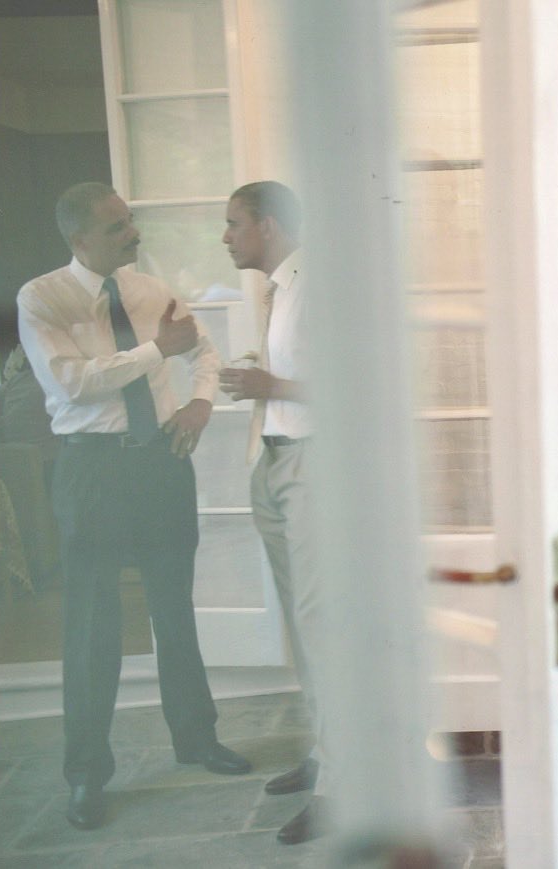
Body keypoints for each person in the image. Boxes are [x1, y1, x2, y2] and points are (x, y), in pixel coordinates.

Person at [17, 182, 251, 832]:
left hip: (159, 463)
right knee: (92, 626)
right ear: (79, 239)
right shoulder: (42, 299)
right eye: (117, 227)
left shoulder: (151, 292)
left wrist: (200, 401)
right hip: (91, 470)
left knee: (174, 608)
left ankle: (197, 739)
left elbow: (204, 349)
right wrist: (156, 351)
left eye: (129, 221)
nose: (132, 234)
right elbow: (72, 382)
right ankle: (86, 773)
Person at [218, 181, 323, 846]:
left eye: (234, 223)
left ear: (269, 225)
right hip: (275, 459)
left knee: (321, 622)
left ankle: (344, 785)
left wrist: (271, 384)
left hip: (313, 467)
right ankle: (324, 752)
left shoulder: (318, 286)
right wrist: (265, 377)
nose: (225, 237)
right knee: (301, 626)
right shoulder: (278, 290)